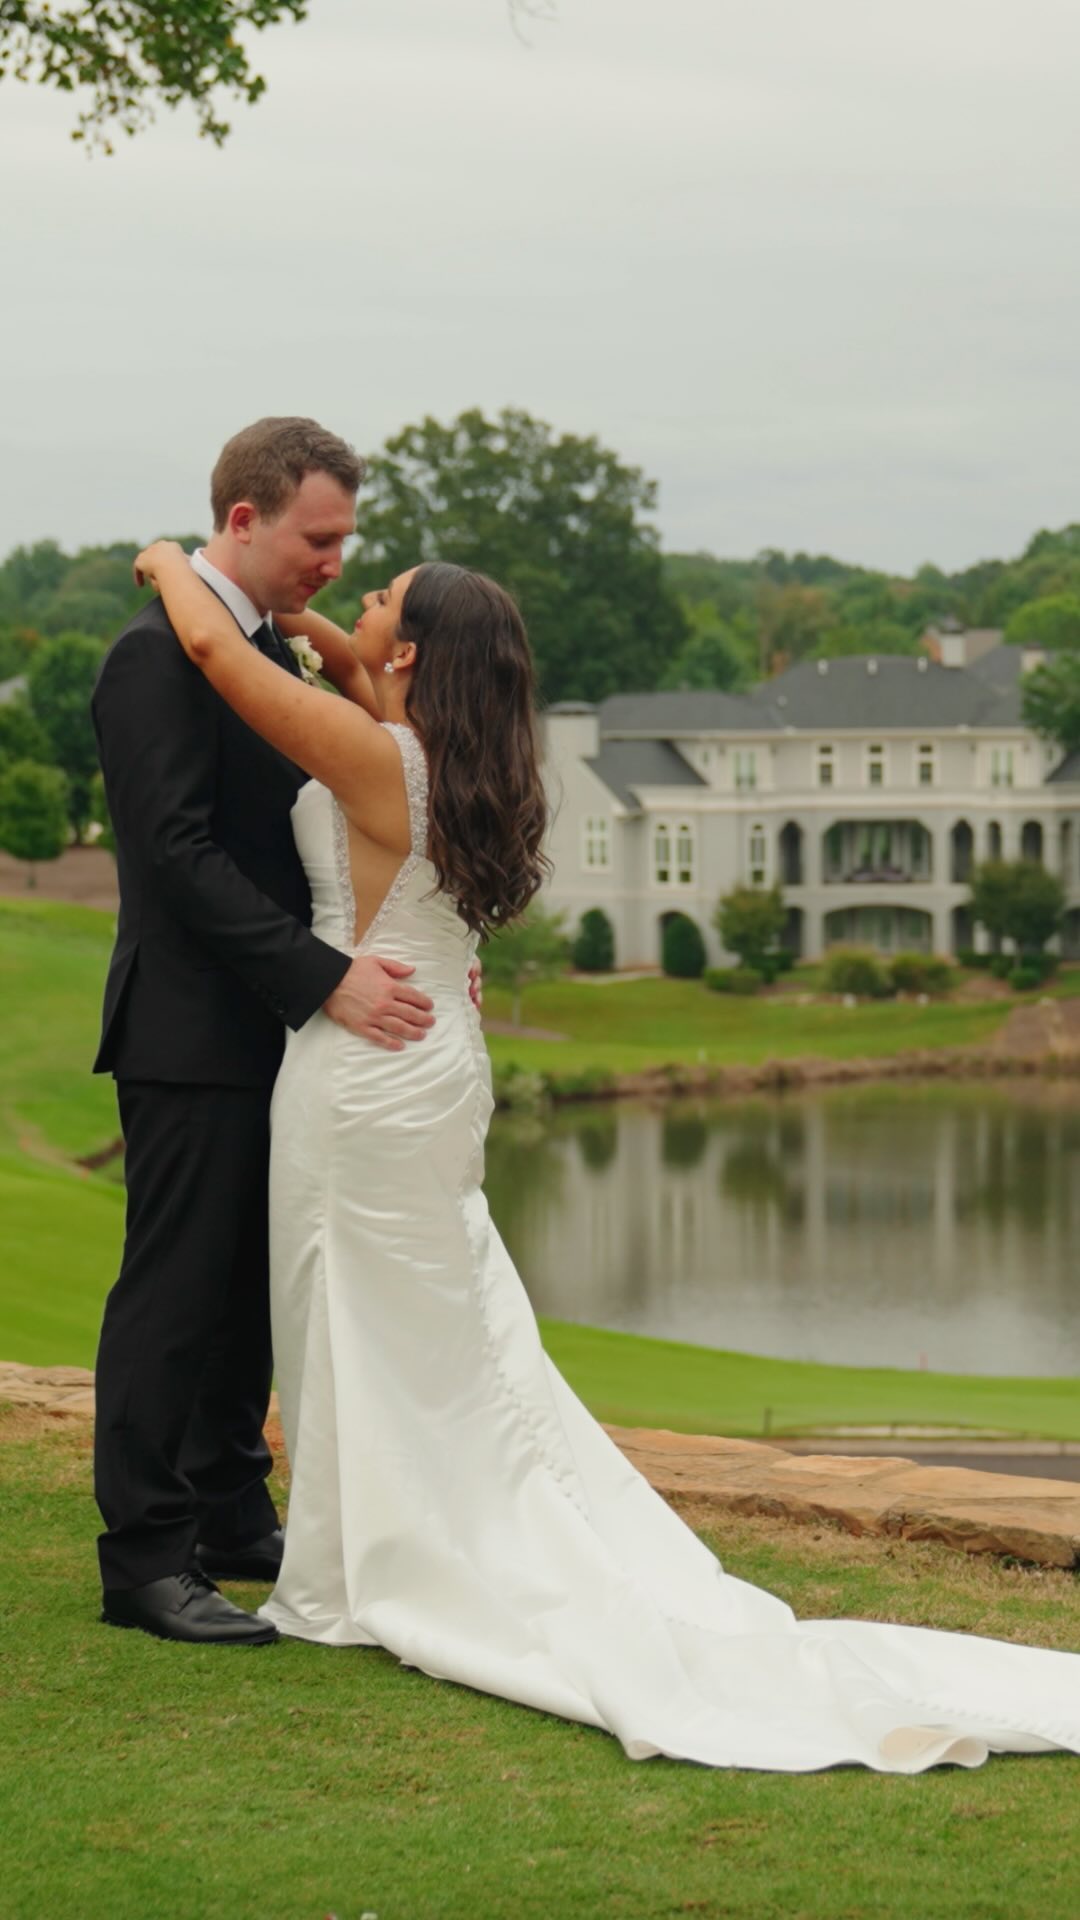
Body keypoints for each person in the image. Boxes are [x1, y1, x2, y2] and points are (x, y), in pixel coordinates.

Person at [131, 533, 1080, 1771]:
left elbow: (209, 645)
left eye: (377, 599)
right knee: (418, 1314)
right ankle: (375, 1536)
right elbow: (366, 702)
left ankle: (379, 1561)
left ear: (409, 653)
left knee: (358, 1313)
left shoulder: (372, 758)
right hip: (436, 1061)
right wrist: (328, 634)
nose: (352, 599)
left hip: (364, 1077)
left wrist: (164, 560)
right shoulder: (454, 764)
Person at [92, 418, 451, 1648]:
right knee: (174, 1293)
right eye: (320, 536)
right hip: (190, 1031)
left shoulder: (263, 654)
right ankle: (143, 1558)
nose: (337, 561)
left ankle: (233, 1514)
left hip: (276, 1036)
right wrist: (324, 978)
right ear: (243, 521)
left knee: (251, 1295)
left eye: (348, 539)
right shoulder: (153, 659)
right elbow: (178, 856)